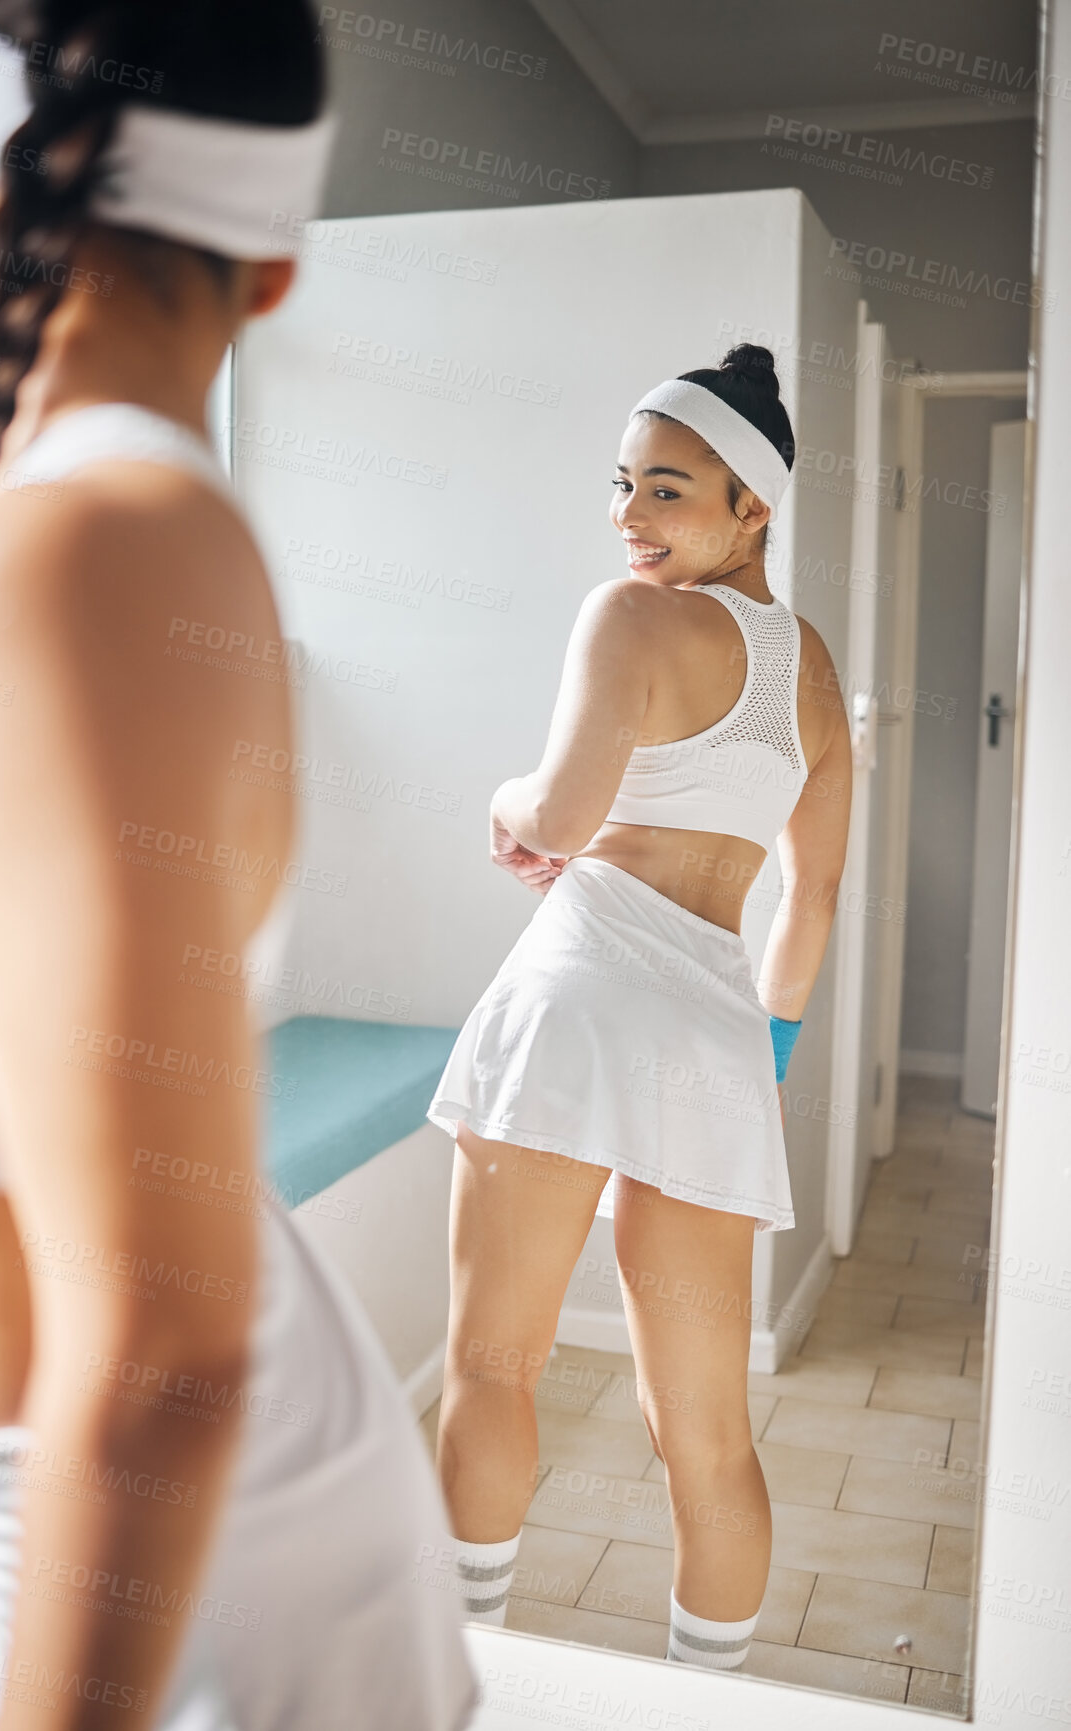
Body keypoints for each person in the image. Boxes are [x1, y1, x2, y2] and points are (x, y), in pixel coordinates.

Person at [0, 4, 478, 1727]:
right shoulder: (132, 537)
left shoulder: (76, 560)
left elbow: (162, 1351)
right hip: (27, 1524)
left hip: (155, 1598)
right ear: (276, 271)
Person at [426, 346, 852, 1669]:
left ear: (752, 508)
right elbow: (814, 897)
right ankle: (711, 1699)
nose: (629, 520)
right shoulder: (817, 673)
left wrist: (503, 806)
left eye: (667, 491)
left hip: (580, 985)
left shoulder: (624, 619)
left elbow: (555, 817)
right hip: (715, 1020)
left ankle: (464, 1672)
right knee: (708, 1432)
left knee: (494, 1369)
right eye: (622, 487)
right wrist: (756, 1056)